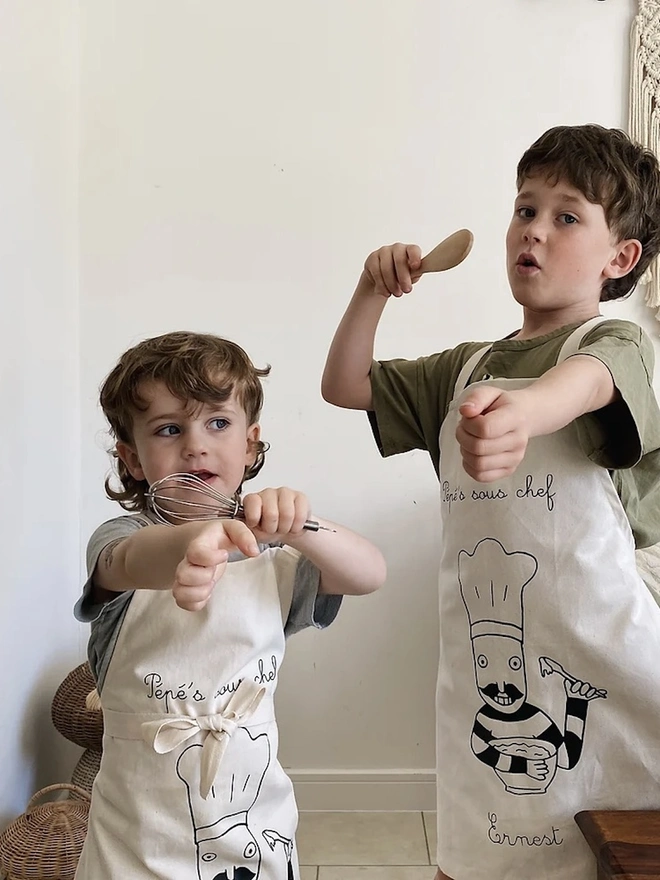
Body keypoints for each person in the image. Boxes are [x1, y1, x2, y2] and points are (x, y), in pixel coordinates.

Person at [322, 124, 660, 880]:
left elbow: (588, 385)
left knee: (621, 845)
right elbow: (345, 385)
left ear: (620, 257)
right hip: (489, 671)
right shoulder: (467, 367)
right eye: (524, 209)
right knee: (482, 852)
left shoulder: (618, 348)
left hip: (611, 654)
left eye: (565, 216)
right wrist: (371, 289)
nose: (533, 230)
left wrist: (528, 415)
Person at [74, 330, 386, 880]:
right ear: (133, 459)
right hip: (139, 834)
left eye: (217, 423)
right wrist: (195, 544)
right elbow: (126, 562)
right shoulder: (122, 538)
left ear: (250, 444)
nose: (195, 445)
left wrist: (300, 525)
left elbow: (369, 573)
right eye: (169, 429)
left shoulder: (274, 558)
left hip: (253, 823)